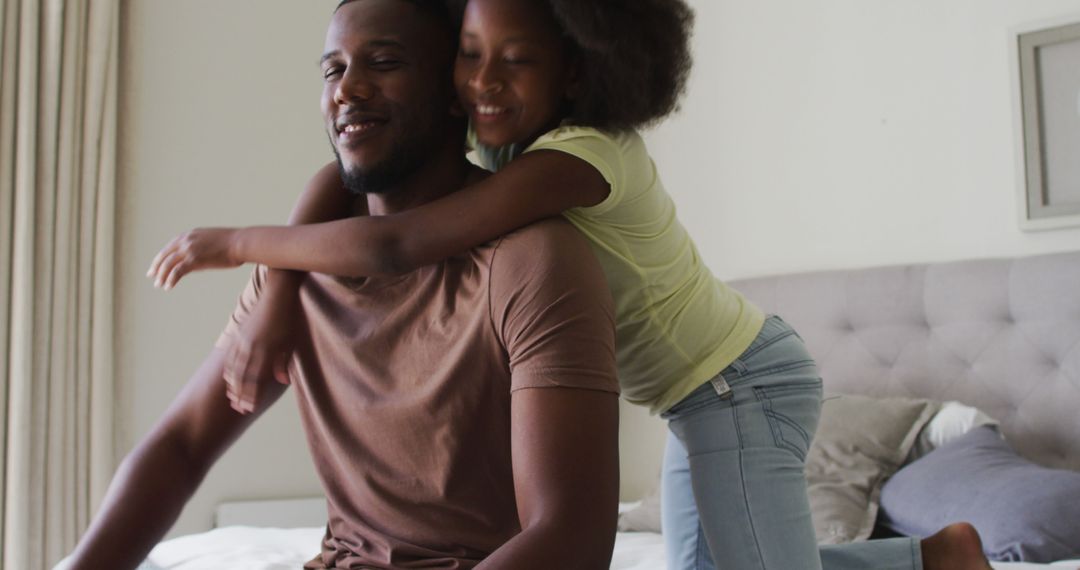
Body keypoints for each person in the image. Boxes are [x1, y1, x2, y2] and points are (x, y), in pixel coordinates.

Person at [146, 0, 994, 568]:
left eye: (514, 62)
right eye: (470, 59)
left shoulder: (580, 158)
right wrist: (283, 290)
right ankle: (925, 557)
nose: (483, 83)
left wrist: (242, 244)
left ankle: (943, 553)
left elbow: (398, 241)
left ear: (577, 72)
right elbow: (344, 185)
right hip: (690, 397)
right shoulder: (502, 146)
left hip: (743, 385)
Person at [64, 1, 622, 568]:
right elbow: (182, 447)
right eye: (333, 70)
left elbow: (569, 534)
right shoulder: (293, 265)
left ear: (457, 91)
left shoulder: (532, 262)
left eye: (382, 63)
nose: (347, 90)